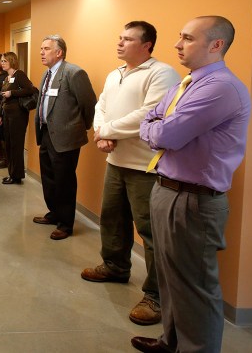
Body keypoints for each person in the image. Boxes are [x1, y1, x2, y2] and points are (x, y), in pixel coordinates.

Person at [133, 16, 251, 353]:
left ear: (216, 45)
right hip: (168, 189)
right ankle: (172, 342)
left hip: (194, 201)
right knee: (171, 279)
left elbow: (166, 133)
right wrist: (157, 128)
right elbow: (150, 117)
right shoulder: (187, 83)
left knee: (196, 288)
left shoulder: (220, 88)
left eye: (187, 38)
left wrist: (158, 129)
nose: (177, 44)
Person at [80, 21, 179, 326]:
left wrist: (107, 131)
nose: (120, 43)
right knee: (112, 218)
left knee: (150, 232)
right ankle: (115, 266)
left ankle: (157, 297)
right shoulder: (115, 73)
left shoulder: (161, 73)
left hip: (144, 166)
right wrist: (101, 131)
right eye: (119, 38)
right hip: (116, 161)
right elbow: (101, 107)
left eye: (128, 39)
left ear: (147, 45)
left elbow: (149, 115)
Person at [33, 35, 97, 240]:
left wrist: (80, 127)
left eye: (46, 48)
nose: (41, 52)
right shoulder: (47, 74)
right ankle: (54, 213)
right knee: (49, 178)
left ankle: (65, 224)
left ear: (59, 52)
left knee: (64, 181)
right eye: (41, 48)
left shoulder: (74, 73)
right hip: (46, 134)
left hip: (66, 137)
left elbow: (89, 104)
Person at [0, 51, 37, 184]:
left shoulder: (19, 74)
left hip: (18, 116)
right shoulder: (6, 78)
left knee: (16, 145)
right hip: (7, 115)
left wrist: (12, 92)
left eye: (4, 61)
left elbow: (30, 89)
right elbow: (3, 97)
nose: (2, 63)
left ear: (12, 61)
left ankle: (16, 175)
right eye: (1, 61)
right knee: (8, 144)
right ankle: (12, 173)